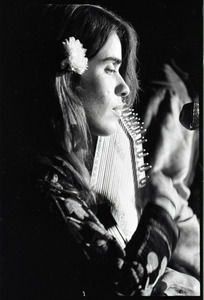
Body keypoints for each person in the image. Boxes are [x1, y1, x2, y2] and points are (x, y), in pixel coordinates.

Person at [2, 4, 200, 298]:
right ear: (70, 79)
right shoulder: (44, 183)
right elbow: (121, 289)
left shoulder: (65, 172)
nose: (124, 88)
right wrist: (162, 209)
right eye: (110, 68)